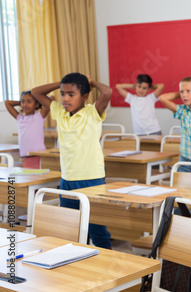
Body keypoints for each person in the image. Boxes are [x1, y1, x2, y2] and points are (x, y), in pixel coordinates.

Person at [32, 72, 113, 249]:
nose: (65, 99)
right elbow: (35, 92)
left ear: (84, 96)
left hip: (91, 179)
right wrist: (61, 83)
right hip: (67, 179)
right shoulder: (60, 112)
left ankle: (109, 268)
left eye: (71, 94)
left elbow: (107, 92)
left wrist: (91, 82)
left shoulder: (92, 112)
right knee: (69, 228)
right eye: (62, 94)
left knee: (96, 230)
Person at [5, 91, 51, 168]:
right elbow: (7, 103)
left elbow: (51, 98)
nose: (25, 104)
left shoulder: (39, 116)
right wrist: (22, 102)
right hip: (26, 154)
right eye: (23, 102)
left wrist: (38, 101)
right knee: (28, 176)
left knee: (35, 176)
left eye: (29, 102)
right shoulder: (20, 118)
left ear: (36, 104)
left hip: (37, 153)